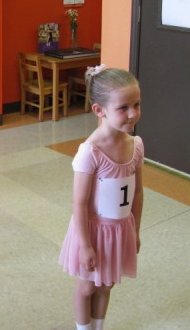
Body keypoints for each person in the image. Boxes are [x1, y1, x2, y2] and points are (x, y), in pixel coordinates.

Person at [58, 65, 144, 330]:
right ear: (99, 110)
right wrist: (85, 245)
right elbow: (79, 203)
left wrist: (135, 231)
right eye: (123, 107)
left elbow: (138, 193)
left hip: (119, 231)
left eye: (137, 104)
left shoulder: (136, 144)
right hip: (93, 232)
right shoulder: (90, 152)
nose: (133, 114)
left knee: (106, 284)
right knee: (87, 286)